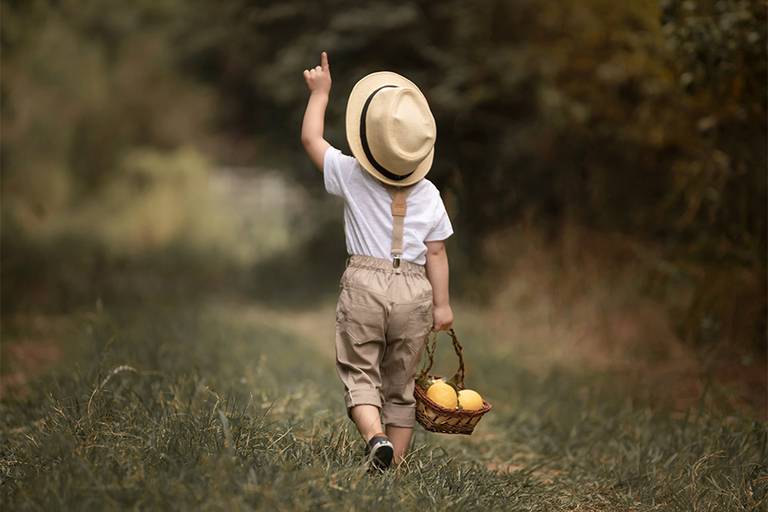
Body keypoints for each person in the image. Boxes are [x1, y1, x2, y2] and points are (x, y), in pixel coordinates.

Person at [300, 51, 454, 471]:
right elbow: (437, 251)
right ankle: (394, 466)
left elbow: (312, 140)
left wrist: (320, 93)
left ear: (369, 139)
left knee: (360, 373)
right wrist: (441, 304)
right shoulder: (430, 194)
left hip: (365, 285)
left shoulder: (352, 174)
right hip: (416, 291)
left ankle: (376, 438)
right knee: (400, 386)